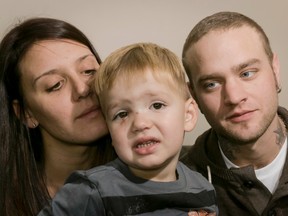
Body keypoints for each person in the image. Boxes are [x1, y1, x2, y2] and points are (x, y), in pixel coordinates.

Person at [38, 42, 218, 216]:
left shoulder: (203, 187)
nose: (140, 124)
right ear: (109, 130)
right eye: (122, 114)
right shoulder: (93, 191)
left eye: (156, 105)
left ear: (188, 115)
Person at [0, 17, 117, 216]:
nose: (82, 89)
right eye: (55, 85)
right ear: (26, 113)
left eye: (89, 71)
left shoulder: (160, 176)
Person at [181, 11, 288, 215]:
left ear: (275, 70)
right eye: (212, 84)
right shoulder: (179, 189)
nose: (234, 96)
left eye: (247, 73)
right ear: (193, 94)